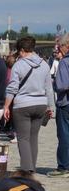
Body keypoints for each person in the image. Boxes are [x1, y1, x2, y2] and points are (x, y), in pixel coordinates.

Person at [3, 36, 54, 172]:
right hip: (41, 104)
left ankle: (26, 170)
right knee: (33, 137)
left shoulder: (18, 65)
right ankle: (32, 167)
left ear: (22, 50)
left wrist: (6, 106)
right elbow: (49, 88)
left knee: (23, 138)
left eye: (19, 51)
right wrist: (50, 107)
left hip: (23, 105)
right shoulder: (44, 64)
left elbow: (12, 88)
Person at [48, 33, 69, 177]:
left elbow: (62, 85)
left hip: (65, 103)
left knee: (64, 135)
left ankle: (63, 166)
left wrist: (54, 82)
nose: (58, 49)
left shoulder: (64, 62)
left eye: (60, 46)